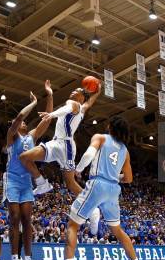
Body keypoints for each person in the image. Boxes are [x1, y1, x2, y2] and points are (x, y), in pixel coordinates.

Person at [55, 116, 145, 260]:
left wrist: (79, 169)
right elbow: (129, 178)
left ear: (110, 127)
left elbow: (89, 153)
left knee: (73, 225)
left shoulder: (100, 137)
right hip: (113, 190)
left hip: (98, 184)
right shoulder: (125, 151)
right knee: (118, 231)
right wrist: (114, 175)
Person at [19, 84, 102, 233]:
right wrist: (98, 92)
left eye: (76, 91)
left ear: (81, 97)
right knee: (25, 157)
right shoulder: (82, 108)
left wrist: (52, 115)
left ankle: (93, 209)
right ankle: (41, 183)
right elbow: (89, 103)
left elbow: (67, 109)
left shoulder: (74, 104)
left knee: (70, 183)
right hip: (56, 143)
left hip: (65, 146)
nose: (73, 91)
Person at [4, 81, 53, 260]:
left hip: (26, 182)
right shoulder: (11, 137)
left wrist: (49, 95)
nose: (24, 123)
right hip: (12, 181)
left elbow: (47, 120)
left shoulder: (31, 136)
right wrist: (34, 103)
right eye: (21, 123)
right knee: (14, 218)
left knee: (27, 220)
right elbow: (18, 117)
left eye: (25, 123)